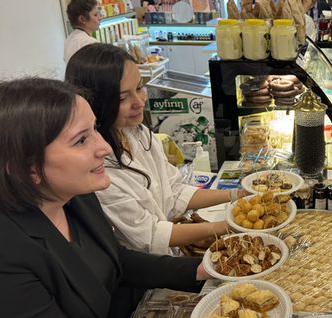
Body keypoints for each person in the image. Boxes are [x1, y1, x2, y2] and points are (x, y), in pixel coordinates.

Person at [0, 78, 221, 318]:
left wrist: (200, 269)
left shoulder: (76, 199)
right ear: (29, 168)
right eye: (81, 140)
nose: (104, 146)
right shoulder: (9, 255)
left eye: (95, 131)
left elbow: (117, 260)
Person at [65, 44, 243, 256]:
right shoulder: (99, 169)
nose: (139, 102)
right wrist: (227, 226)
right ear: (94, 103)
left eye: (139, 87)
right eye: (123, 98)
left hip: (170, 257)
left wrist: (237, 194)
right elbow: (149, 236)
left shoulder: (139, 133)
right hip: (146, 273)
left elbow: (174, 192)